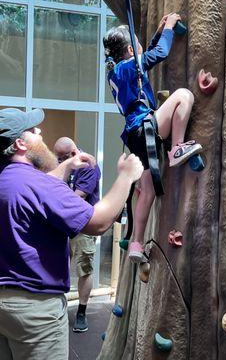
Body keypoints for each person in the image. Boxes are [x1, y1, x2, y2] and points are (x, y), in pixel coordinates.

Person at [0, 108, 143, 360]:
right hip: (34, 310)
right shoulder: (37, 184)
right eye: (33, 130)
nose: (40, 131)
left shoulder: (10, 179)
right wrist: (126, 176)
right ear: (21, 144)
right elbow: (98, 222)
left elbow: (33, 193)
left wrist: (65, 167)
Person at [103, 13, 202, 262]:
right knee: (183, 96)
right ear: (129, 49)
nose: (140, 46)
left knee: (146, 192)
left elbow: (146, 53)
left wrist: (159, 32)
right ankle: (177, 147)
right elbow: (157, 54)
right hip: (145, 126)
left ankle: (136, 243)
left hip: (134, 136)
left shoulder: (117, 72)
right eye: (136, 43)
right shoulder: (127, 68)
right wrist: (168, 28)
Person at [53, 137, 101, 333]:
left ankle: (81, 311)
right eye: (57, 158)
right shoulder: (60, 163)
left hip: (83, 224)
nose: (59, 162)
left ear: (73, 153)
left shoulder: (88, 166)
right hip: (60, 223)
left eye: (62, 158)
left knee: (84, 268)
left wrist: (50, 194)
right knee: (57, 266)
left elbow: (77, 197)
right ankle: (59, 308)